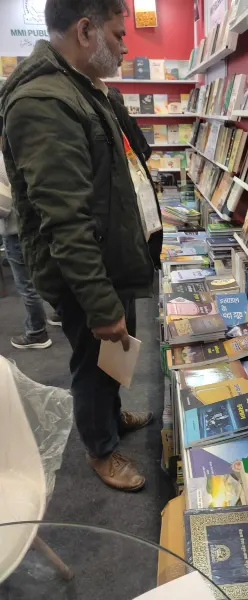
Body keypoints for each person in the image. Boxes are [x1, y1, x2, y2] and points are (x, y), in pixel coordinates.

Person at [0, 0, 163, 492]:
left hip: (110, 258)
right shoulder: (44, 102)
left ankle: (110, 416)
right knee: (94, 362)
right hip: (86, 272)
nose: (126, 46)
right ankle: (100, 447)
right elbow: (64, 221)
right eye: (118, 34)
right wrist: (99, 303)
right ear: (86, 30)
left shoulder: (84, 87)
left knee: (117, 353)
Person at [0, 163, 54, 348]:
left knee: (26, 285)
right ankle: (61, 313)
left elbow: (3, 208)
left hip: (15, 230)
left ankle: (37, 331)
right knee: (50, 272)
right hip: (39, 223)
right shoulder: (26, 152)